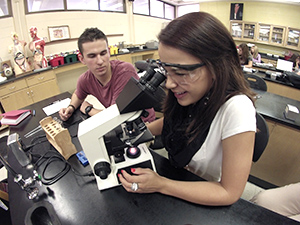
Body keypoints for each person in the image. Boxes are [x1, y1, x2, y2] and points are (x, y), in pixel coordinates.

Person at [118, 12, 257, 206]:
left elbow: (229, 192)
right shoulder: (194, 92)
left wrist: (161, 185)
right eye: (166, 72)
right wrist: (140, 133)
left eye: (181, 73)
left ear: (216, 67)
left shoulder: (237, 108)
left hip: (207, 196)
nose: (169, 84)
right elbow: (174, 121)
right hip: (180, 178)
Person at [59, 28, 155, 123]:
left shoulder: (125, 71)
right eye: (92, 56)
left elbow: (114, 117)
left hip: (143, 124)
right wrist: (70, 107)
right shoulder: (85, 79)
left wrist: (88, 109)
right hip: (120, 124)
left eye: (103, 53)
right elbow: (78, 94)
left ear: (109, 52)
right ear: (82, 59)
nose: (100, 61)